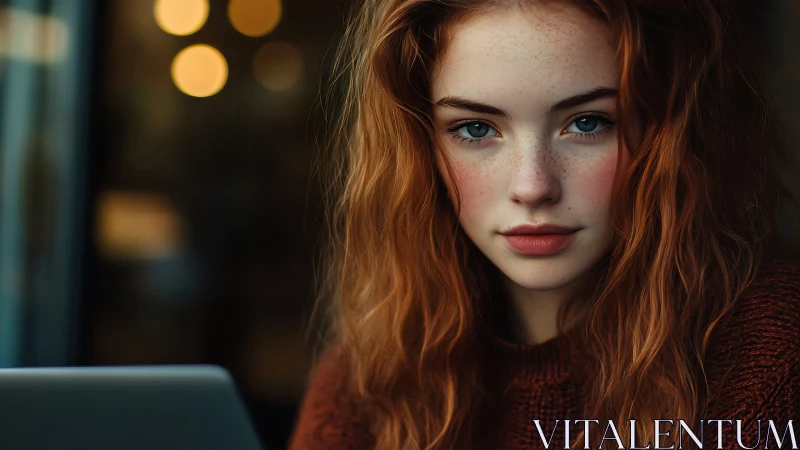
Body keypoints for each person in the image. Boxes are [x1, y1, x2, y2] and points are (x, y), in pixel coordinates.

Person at [289, 0, 800, 448]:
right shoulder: (372, 379)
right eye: (475, 128)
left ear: (666, 133)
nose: (532, 186)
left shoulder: (775, 351)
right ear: (422, 150)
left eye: (587, 122)